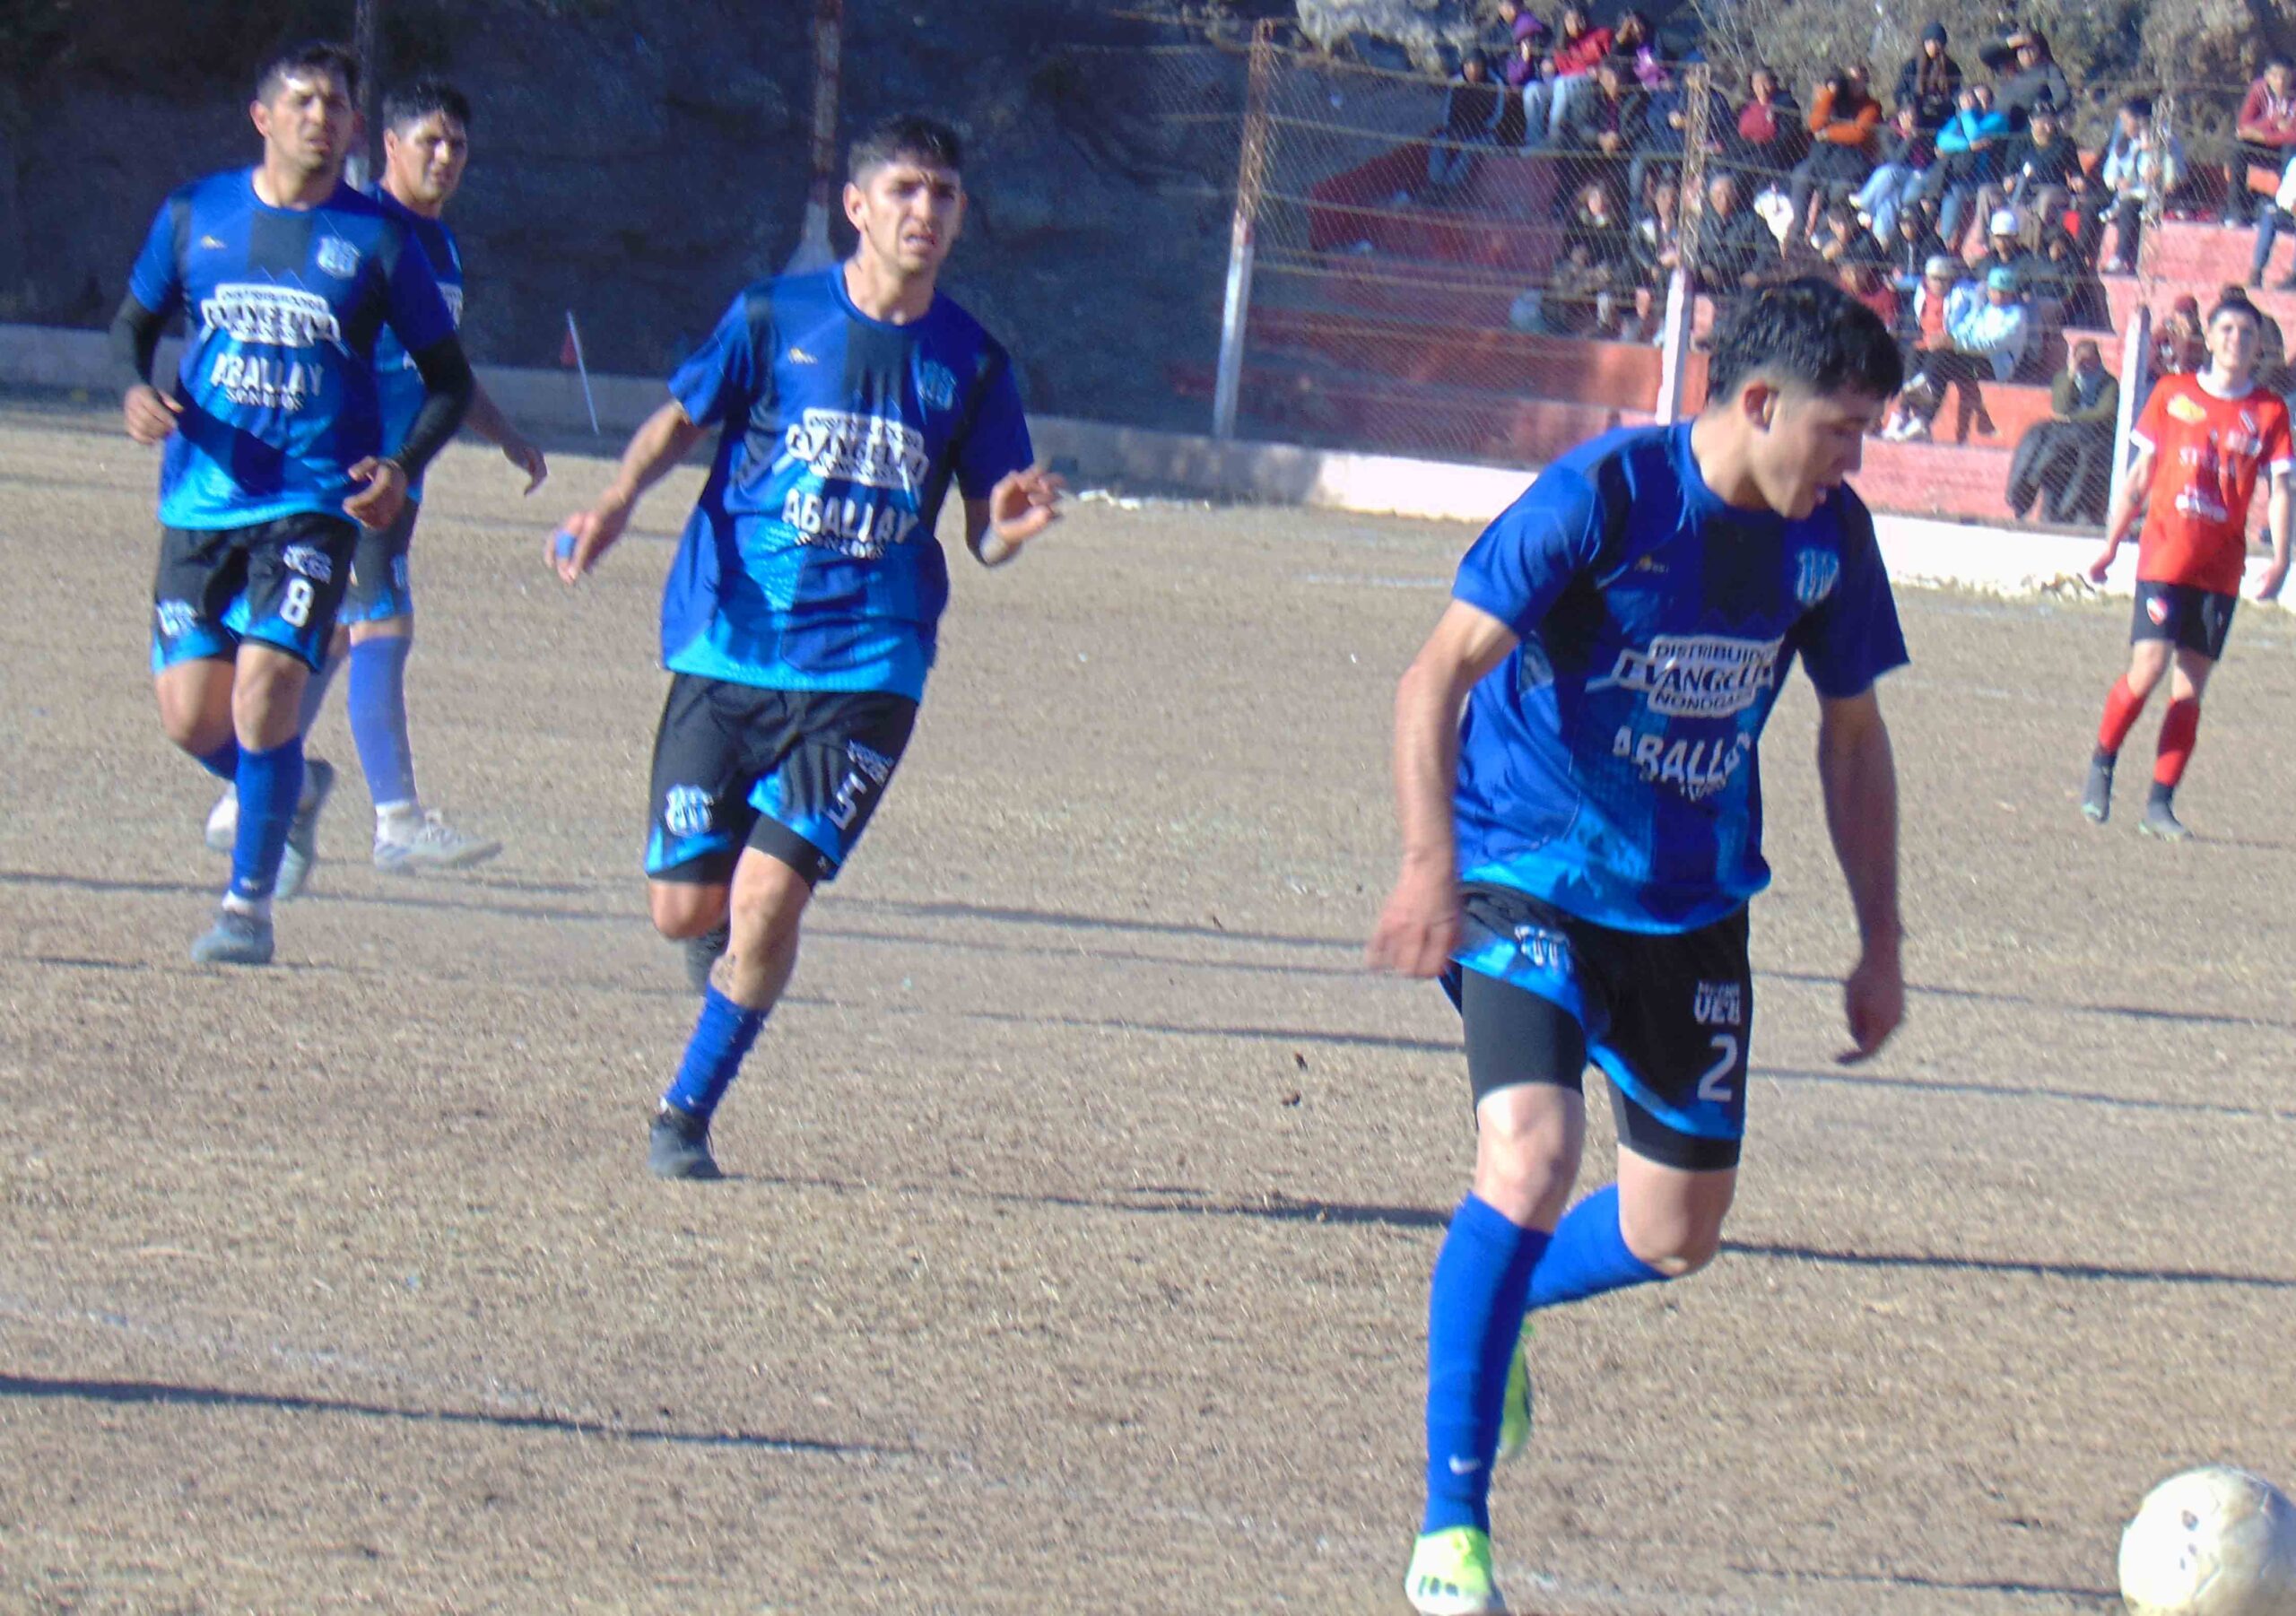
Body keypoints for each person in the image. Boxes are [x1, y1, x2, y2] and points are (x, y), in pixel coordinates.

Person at [1372, 276, 1906, 1616]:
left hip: (1690, 902)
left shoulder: (1830, 539)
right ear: (1760, 402)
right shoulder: (1603, 497)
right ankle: (1452, 1532)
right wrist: (1433, 858)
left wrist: (1879, 935)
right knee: (1532, 1154)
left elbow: (1851, 735)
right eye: (1841, 430)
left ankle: (1505, 1305)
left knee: (1677, 1232)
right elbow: (1434, 673)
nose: (1852, 460)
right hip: (1526, 866)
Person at [551, 116, 1062, 1180]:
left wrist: (1008, 525)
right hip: (731, 643)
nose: (927, 211)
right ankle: (728, 964)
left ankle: (683, 1114)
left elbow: (983, 532)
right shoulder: (772, 316)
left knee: (772, 895)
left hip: (869, 667)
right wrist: (611, 503)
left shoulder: (971, 362)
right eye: (908, 190)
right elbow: (677, 421)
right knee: (683, 906)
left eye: (946, 195)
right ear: (859, 205)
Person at [113, 40, 473, 965]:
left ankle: (246, 907)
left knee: (268, 690)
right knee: (194, 717)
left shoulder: (379, 241)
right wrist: (133, 387)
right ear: (262, 116)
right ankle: (294, 788)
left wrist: (399, 465)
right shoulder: (197, 214)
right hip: (202, 499)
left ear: (355, 126)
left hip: (315, 504)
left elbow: (447, 380)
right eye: (305, 100)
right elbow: (134, 323)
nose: (323, 116)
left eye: (338, 104)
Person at [202, 79, 546, 878]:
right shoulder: (363, 231)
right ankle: (396, 820)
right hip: (356, 473)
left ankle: (245, 801)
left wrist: (505, 435)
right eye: (428, 140)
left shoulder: (440, 245)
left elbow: (443, 371)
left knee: (322, 640)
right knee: (382, 629)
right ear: (386, 144)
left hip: (403, 475)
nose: (444, 157)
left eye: (456, 144)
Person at [2083, 294, 2292, 839]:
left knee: (2190, 689)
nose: (2235, 340)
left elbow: (2281, 488)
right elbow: (2138, 477)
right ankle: (2103, 762)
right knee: (2148, 668)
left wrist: (2282, 557)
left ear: (2259, 345)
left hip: (2221, 569)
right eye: (2226, 330)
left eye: (2247, 333)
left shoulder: (2270, 411)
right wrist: (2111, 546)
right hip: (2164, 555)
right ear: (2210, 336)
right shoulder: (2174, 394)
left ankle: (2159, 804)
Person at [2005, 337, 2117, 523]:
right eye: (2080, 359)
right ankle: (2022, 488)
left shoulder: (2109, 383)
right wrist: (2072, 374)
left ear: (2097, 359)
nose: (2085, 364)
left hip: (2094, 434)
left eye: (2088, 359)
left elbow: (2104, 413)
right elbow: (2060, 407)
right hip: (2067, 432)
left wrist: (2071, 418)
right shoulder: (2063, 377)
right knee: (2037, 433)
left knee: (2059, 439)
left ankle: (2036, 474)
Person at [1790, 65, 1881, 234]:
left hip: (1854, 164)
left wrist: (1828, 133)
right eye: (1850, 80)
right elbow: (1815, 124)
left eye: (1859, 81)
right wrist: (1830, 94)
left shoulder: (1871, 106)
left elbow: (1858, 133)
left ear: (1866, 83)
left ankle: (1821, 233)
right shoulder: (1835, 101)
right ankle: (1798, 230)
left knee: (1837, 191)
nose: (1854, 85)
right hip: (1825, 160)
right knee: (1801, 175)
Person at [2096, 98, 2182, 274]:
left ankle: (2121, 258)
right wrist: (2117, 181)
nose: (2124, 125)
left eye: (2127, 120)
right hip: (2128, 192)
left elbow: (2178, 174)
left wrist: (2161, 173)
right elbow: (2109, 172)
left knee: (2129, 207)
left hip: (2155, 195)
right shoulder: (2123, 144)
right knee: (2096, 203)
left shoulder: (2166, 142)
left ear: (2141, 121)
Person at [1929, 82, 2011, 249]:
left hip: (1984, 176)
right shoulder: (1962, 119)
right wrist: (1966, 146)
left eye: (1983, 100)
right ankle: (1938, 241)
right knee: (1927, 187)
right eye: (1975, 100)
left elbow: (1975, 134)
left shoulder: (1996, 120)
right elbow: (1942, 140)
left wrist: (1968, 114)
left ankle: (1946, 241)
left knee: (1956, 191)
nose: (1978, 104)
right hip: (1958, 174)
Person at [1853, 103, 1935, 243]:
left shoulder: (1923, 132)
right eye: (1905, 115)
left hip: (1916, 177)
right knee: (1890, 200)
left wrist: (1912, 137)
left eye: (1912, 115)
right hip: (1897, 179)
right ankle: (1881, 241)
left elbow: (1926, 160)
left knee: (1888, 171)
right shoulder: (1889, 132)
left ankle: (1866, 203)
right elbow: (1896, 159)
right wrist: (1908, 138)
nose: (1909, 119)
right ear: (1900, 115)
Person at [2229, 58, 2296, 228]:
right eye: (2275, 76)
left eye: (2285, 77)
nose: (2280, 82)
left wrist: (2263, 136)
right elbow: (2243, 127)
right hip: (2261, 145)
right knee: (2238, 146)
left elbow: (2293, 135)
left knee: (2290, 150)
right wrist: (2272, 122)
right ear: (2267, 76)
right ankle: (2237, 211)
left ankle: (2283, 211)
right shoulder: (2258, 89)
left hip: (2286, 148)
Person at [1428, 53, 1505, 193]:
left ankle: (1450, 187)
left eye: (1477, 67)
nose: (1473, 71)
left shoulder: (1495, 84)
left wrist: (1474, 131)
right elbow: (1447, 112)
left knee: (1469, 148)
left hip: (1485, 132)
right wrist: (1453, 130)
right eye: (1468, 67)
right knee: (1439, 143)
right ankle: (1435, 183)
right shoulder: (1457, 83)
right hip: (1458, 129)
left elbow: (1496, 117)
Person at [1731, 65, 1805, 181]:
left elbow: (1787, 135)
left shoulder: (1784, 104)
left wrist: (1763, 147)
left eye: (1765, 83)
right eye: (1756, 84)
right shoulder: (1745, 106)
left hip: (1772, 155)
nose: (1761, 88)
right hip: (1746, 151)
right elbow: (1735, 133)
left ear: (1773, 83)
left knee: (1741, 175)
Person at [1995, 29, 2070, 132]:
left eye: (2030, 48)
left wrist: (2044, 111)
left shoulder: (2048, 69)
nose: (2025, 52)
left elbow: (2062, 96)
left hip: (2028, 127)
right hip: (1998, 125)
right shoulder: (2008, 69)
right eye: (2020, 49)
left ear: (2039, 49)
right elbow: (1986, 52)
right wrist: (2009, 42)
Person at [1895, 23, 1963, 132]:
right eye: (1929, 42)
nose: (1933, 45)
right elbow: (1900, 93)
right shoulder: (1911, 66)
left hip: (1943, 119)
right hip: (1916, 119)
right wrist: (1910, 106)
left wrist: (1942, 104)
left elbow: (1957, 95)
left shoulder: (1952, 68)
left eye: (1937, 42)